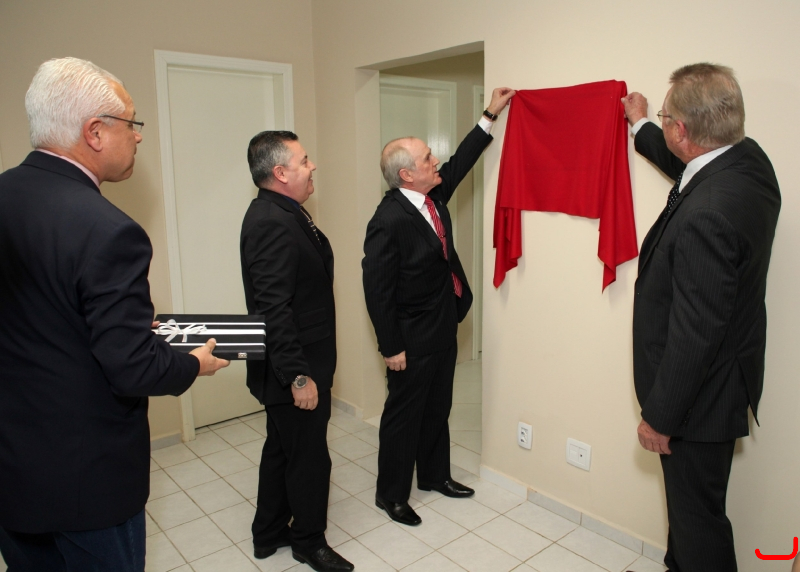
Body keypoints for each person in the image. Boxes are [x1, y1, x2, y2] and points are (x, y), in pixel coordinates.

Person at [0, 57, 229, 572]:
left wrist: (111, 328)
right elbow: (133, 369)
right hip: (87, 481)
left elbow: (37, 315)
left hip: (13, 468)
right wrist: (193, 363)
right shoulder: (108, 229)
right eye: (131, 122)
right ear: (95, 132)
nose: (138, 136)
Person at [621, 63, 780, 572]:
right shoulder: (749, 165)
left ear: (683, 131)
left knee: (697, 526)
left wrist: (660, 418)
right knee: (692, 521)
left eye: (666, 118)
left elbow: (696, 333)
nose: (664, 122)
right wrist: (641, 125)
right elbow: (690, 170)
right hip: (727, 379)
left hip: (696, 401)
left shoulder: (707, 213)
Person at [362, 87, 515, 526]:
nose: (436, 162)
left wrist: (489, 114)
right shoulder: (388, 220)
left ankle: (434, 476)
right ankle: (391, 495)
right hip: (410, 338)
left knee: (437, 408)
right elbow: (377, 290)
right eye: (428, 158)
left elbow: (459, 163)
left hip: (443, 324)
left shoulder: (432, 197)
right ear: (406, 175)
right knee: (403, 417)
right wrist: (391, 346)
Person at [240, 131, 353, 572]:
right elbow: (274, 309)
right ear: (280, 172)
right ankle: (308, 540)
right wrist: (298, 377)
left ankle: (268, 531)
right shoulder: (271, 221)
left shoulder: (283, 211)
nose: (312, 166)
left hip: (293, 361)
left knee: (282, 449)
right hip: (294, 366)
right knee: (308, 458)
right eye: (304, 160)